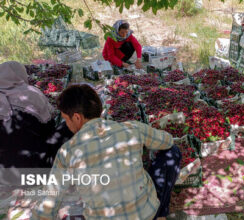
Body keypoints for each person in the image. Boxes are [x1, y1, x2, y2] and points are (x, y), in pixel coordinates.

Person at [31, 84, 181, 220]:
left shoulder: (67, 152)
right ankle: (161, 215)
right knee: (173, 152)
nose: (67, 124)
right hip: (147, 214)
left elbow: (49, 201)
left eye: (66, 119)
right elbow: (168, 141)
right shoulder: (132, 128)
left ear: (77, 117)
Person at [0, 61, 73, 168]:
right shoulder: (31, 94)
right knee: (69, 125)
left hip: (5, 171)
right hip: (35, 163)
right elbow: (50, 127)